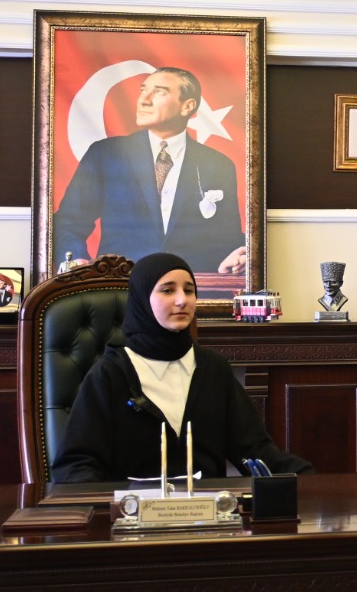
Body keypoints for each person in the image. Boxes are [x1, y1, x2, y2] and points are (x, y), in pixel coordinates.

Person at [51, 252, 314, 483]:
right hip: (130, 516)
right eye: (168, 290)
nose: (182, 300)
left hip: (208, 515)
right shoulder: (110, 373)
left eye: (189, 290)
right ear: (142, 300)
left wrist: (313, 483)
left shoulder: (213, 368)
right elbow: (77, 465)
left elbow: (256, 451)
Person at [51, 67, 248, 276]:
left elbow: (228, 238)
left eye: (159, 92)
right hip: (119, 285)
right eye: (143, 91)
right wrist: (75, 263)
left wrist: (239, 256)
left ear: (187, 106)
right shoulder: (105, 154)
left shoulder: (218, 165)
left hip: (192, 287)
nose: (144, 100)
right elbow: (68, 223)